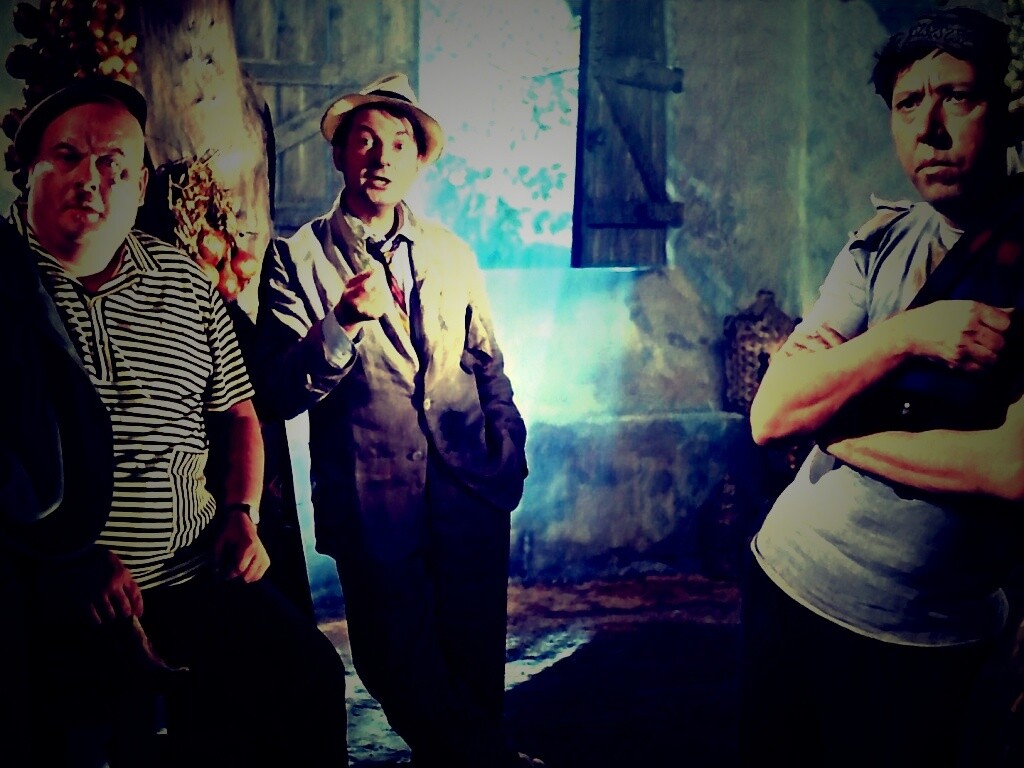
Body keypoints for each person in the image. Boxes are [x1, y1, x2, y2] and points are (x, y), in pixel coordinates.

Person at [7, 76, 348, 767]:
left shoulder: (185, 281)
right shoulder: (4, 283)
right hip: (52, 592)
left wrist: (241, 514)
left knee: (307, 678)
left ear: (139, 185)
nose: (90, 179)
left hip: (197, 573)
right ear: (30, 171)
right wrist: (65, 558)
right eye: (68, 157)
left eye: (114, 165)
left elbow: (239, 414)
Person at [740, 7, 1024, 767]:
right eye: (907, 104)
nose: (929, 131)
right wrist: (909, 335)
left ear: (1006, 109)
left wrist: (835, 421)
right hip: (789, 574)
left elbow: (1010, 469)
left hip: (923, 631)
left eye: (957, 97)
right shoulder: (878, 241)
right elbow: (772, 415)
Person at [255, 72, 540, 768]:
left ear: (417, 161)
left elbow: (488, 362)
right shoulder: (296, 258)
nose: (382, 157)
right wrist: (343, 321)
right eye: (365, 140)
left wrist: (508, 450)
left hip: (471, 488)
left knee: (474, 660)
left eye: (400, 143)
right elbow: (279, 390)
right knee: (394, 662)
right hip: (370, 499)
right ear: (340, 154)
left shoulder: (450, 252)